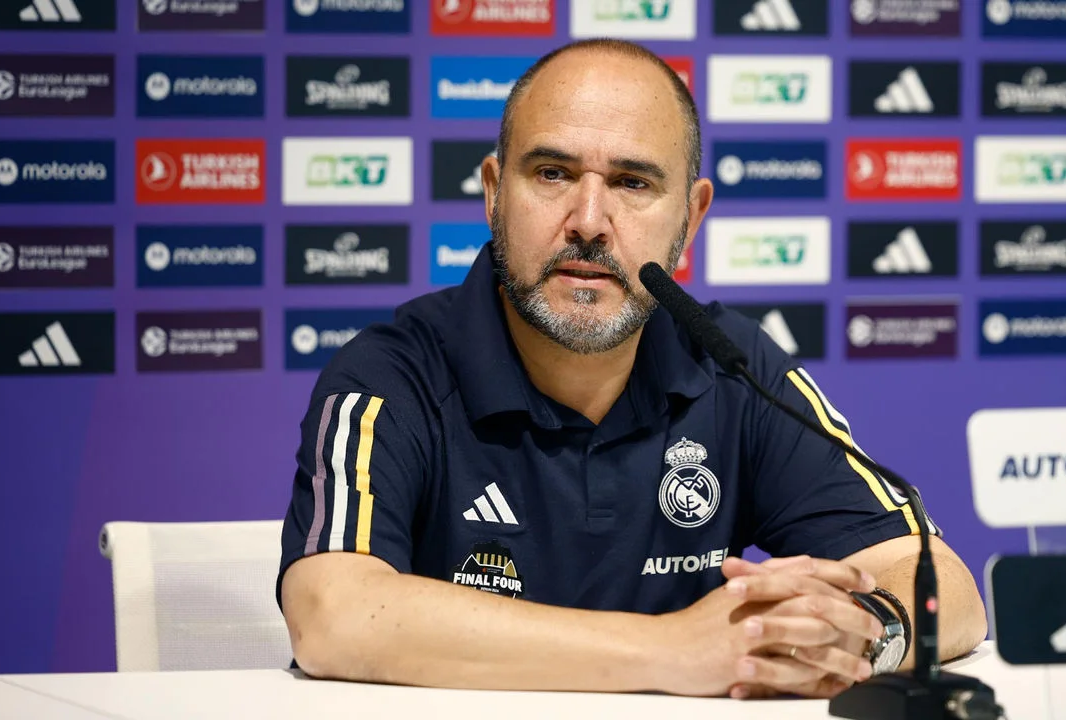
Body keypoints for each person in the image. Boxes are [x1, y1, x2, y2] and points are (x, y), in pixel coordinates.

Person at [276, 38, 987, 700]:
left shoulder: (732, 366)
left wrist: (864, 637)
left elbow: (944, 584)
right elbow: (333, 614)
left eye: (633, 182)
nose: (589, 220)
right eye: (552, 174)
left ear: (691, 216)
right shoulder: (389, 375)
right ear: (494, 192)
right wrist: (675, 650)